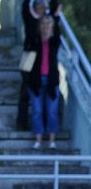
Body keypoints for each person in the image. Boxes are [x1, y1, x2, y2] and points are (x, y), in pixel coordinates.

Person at [26, 15, 61, 150]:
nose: (46, 26)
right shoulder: (34, 40)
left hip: (51, 81)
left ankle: (52, 141)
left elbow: (57, 32)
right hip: (36, 81)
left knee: (52, 111)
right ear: (39, 26)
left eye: (48, 23)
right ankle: (38, 140)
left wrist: (55, 17)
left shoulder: (54, 41)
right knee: (37, 110)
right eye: (43, 23)